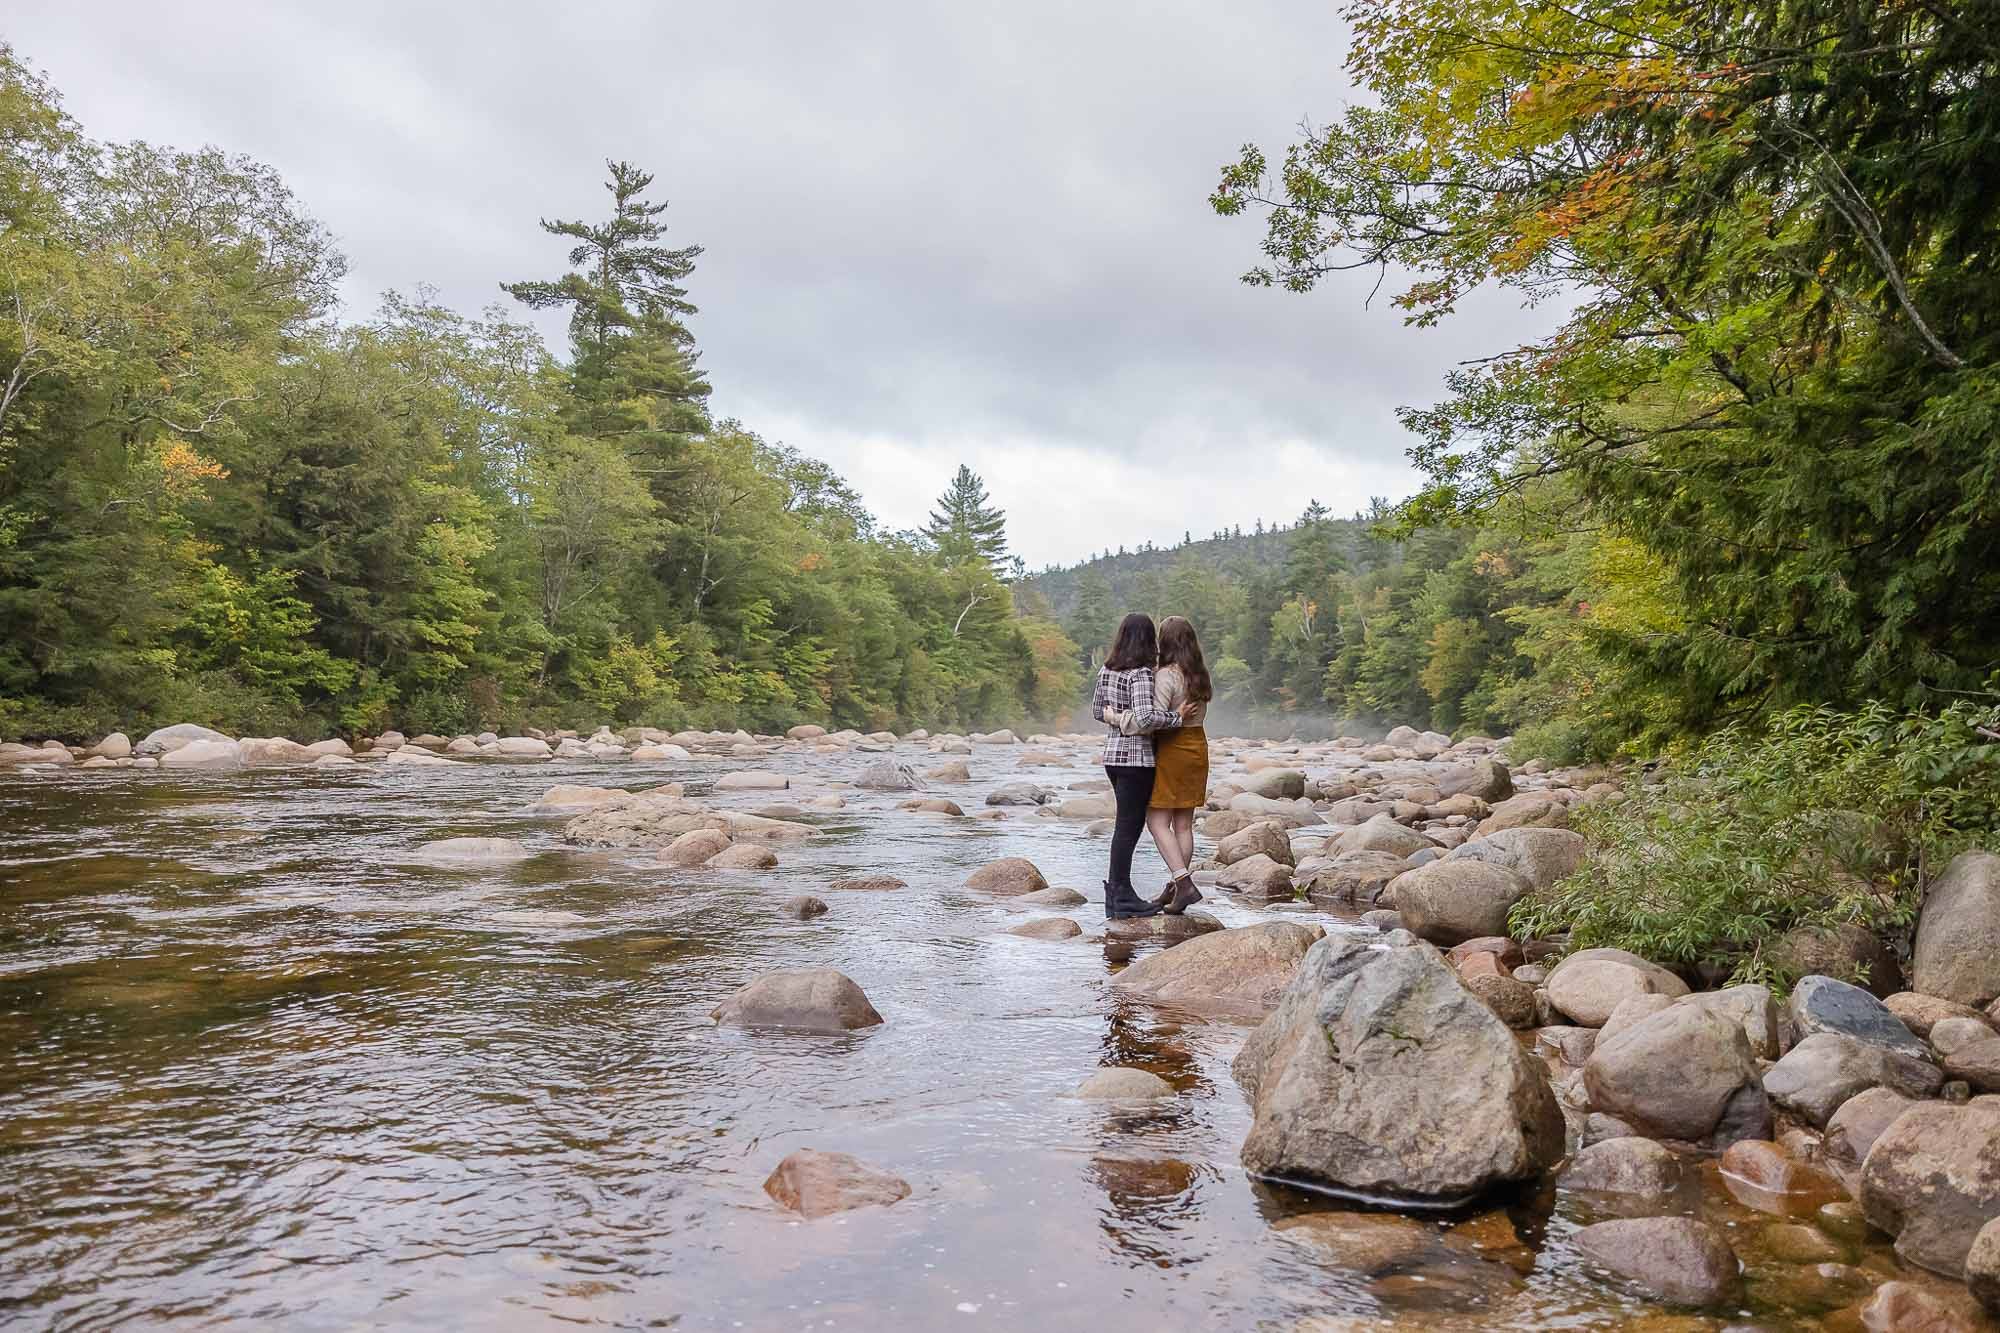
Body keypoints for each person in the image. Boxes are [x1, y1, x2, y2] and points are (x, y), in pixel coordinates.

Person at [1089, 614, 1188, 919]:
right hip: (1137, 761)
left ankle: (1118, 895)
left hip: (1113, 758)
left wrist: (1113, 717)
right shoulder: (1141, 674)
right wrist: (1177, 717)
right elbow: (1146, 719)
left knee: (1125, 827)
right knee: (1127, 829)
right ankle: (1121, 896)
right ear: (1148, 640)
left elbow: (1096, 710)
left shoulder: (1107, 669)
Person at [1141, 616, 1210, 913]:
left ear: (1164, 642)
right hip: (1197, 746)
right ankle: (1175, 890)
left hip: (1173, 748)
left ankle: (1183, 882)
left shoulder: (1166, 675)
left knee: (1156, 822)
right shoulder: (1199, 674)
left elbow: (1157, 719)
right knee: (1183, 824)